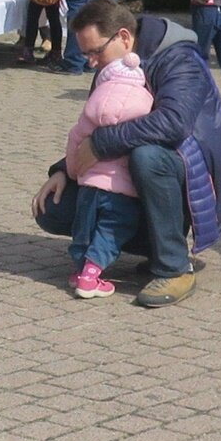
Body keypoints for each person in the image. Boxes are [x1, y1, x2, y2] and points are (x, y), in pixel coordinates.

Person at [32, 0, 221, 308]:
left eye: (95, 52)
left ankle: (174, 267)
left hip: (192, 174)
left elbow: (173, 123)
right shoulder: (113, 65)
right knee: (53, 208)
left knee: (147, 156)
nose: (91, 63)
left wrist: (100, 145)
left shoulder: (179, 58)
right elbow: (100, 123)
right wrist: (65, 169)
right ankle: (153, 246)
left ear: (123, 37)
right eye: (86, 54)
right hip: (139, 173)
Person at [60, 51, 155, 299]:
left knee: (85, 227)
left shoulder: (92, 107)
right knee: (113, 230)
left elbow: (74, 140)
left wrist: (72, 171)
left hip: (89, 184)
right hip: (123, 190)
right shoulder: (143, 109)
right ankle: (90, 276)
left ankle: (80, 268)